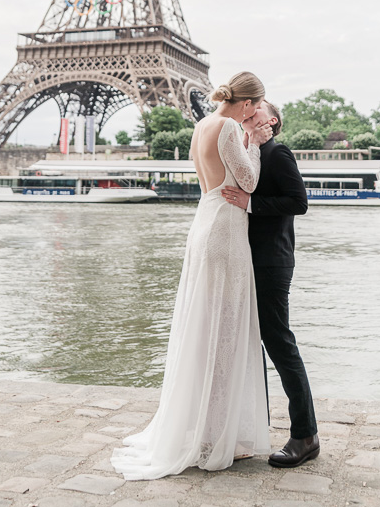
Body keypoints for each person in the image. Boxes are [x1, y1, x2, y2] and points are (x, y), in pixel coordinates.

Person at [110, 71, 274, 480]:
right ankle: (216, 436)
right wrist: (255, 143)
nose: (257, 115)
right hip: (226, 230)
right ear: (250, 104)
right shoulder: (230, 129)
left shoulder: (202, 124)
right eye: (257, 107)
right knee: (225, 335)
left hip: (204, 221)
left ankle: (202, 427)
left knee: (203, 329)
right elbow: (249, 181)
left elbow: (210, 179)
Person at [221, 100, 319, 467]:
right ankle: (254, 426)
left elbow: (299, 202)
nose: (251, 110)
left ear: (271, 121)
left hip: (271, 262)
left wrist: (250, 202)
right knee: (255, 343)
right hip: (250, 259)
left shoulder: (278, 152)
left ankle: (305, 436)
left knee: (280, 343)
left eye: (258, 108)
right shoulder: (249, 152)